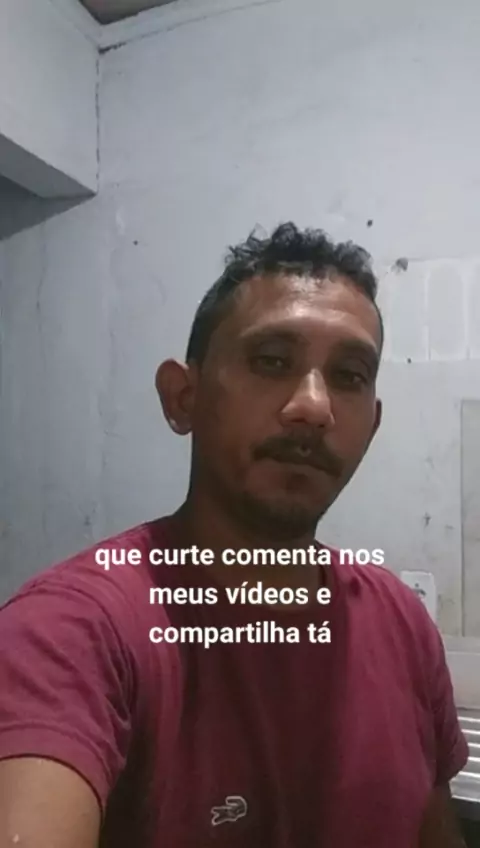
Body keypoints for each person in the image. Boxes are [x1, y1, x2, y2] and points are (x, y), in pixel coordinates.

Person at [0, 223, 468, 848]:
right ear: (183, 397)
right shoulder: (70, 633)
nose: (314, 407)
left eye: (350, 375)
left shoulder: (402, 624)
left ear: (372, 424)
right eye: (271, 361)